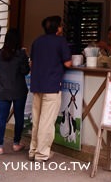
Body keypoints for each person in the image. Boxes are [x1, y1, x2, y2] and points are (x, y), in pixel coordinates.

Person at [28, 16, 72, 162]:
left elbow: (32, 63)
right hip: (52, 86)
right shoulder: (61, 41)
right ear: (58, 28)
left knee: (37, 120)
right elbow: (67, 63)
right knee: (47, 122)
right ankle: (41, 154)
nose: (62, 28)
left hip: (37, 86)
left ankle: (33, 151)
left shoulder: (37, 41)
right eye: (61, 25)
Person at [0, 28, 30, 155]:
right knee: (19, 117)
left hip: (3, 90)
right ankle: (16, 144)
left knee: (1, 117)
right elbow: (25, 71)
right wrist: (25, 56)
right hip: (19, 90)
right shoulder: (21, 54)